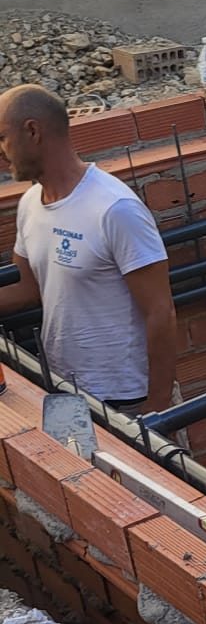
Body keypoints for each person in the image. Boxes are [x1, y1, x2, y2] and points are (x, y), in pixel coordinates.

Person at [0, 85, 177, 412]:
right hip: (64, 390)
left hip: (124, 399)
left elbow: (161, 312)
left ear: (33, 131)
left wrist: (158, 410)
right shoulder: (29, 205)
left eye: (2, 138)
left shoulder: (114, 208)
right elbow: (28, 288)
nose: (1, 152)